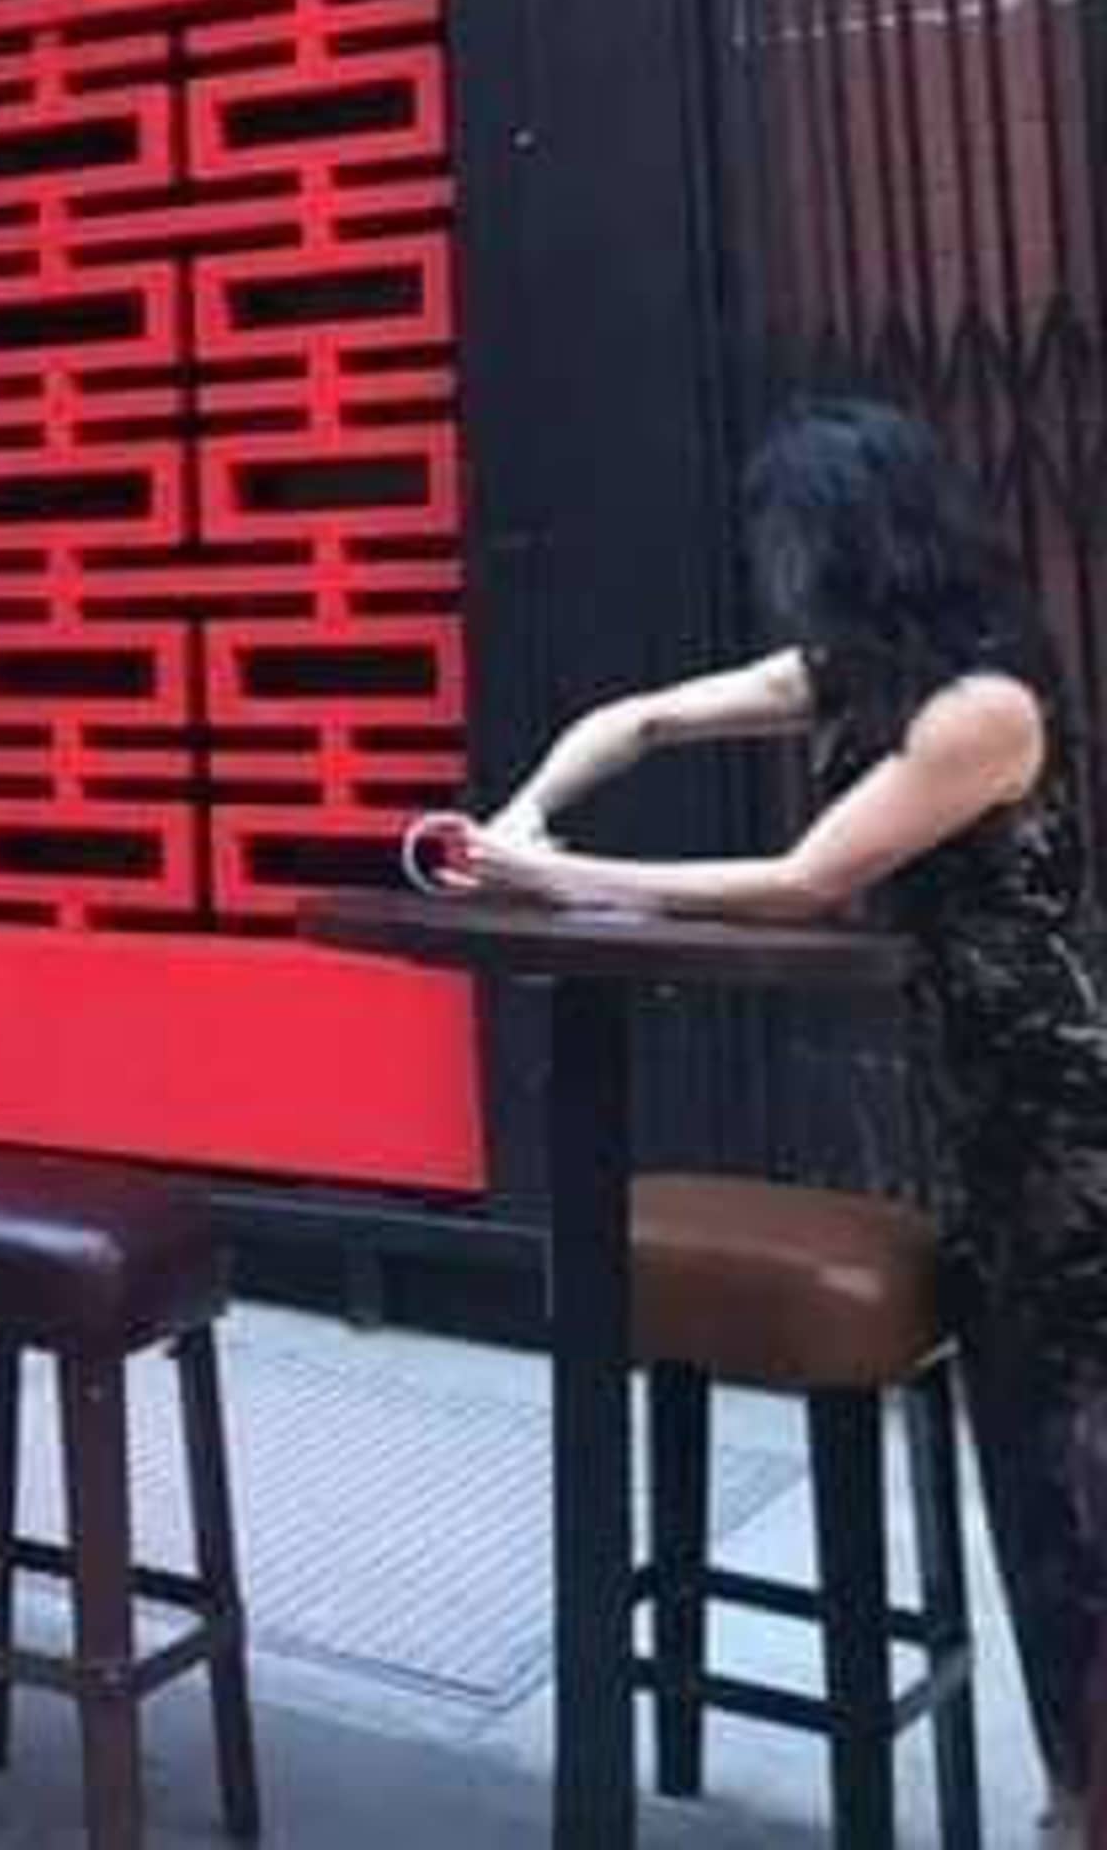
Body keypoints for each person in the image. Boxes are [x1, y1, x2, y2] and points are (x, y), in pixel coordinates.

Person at [460, 398, 1105, 1829]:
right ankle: (1076, 1795)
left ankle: (1081, 1803)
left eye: (803, 542)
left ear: (870, 542)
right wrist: (519, 821)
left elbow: (803, 878)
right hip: (987, 1116)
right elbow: (638, 718)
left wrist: (565, 884)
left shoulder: (979, 709)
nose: (785, 568)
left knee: (1074, 1484)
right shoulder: (865, 678)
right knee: (1033, 1474)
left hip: (1068, 1130)